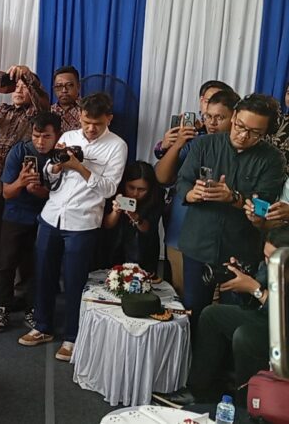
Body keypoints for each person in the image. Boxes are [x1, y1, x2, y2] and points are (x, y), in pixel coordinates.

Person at [19, 92, 127, 362]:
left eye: (97, 124)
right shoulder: (68, 137)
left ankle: (72, 337)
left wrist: (80, 167)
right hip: (52, 214)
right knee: (43, 273)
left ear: (108, 120)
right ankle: (42, 326)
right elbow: (49, 175)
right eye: (87, 121)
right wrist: (56, 167)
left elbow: (109, 188)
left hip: (83, 221)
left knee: (75, 281)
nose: (90, 128)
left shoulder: (117, 146)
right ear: (80, 116)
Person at [176, 93, 285, 331]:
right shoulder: (205, 145)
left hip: (241, 249)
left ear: (265, 133)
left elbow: (263, 205)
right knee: (193, 310)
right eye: (240, 126)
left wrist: (234, 198)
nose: (244, 136)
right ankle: (192, 365)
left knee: (233, 317)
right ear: (234, 117)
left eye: (254, 133)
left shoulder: (272, 159)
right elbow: (183, 181)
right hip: (198, 242)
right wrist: (190, 194)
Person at [153, 228, 288, 408]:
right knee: (212, 315)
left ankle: (247, 405)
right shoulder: (267, 265)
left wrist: (255, 289)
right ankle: (199, 391)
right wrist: (240, 280)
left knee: (245, 336)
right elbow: (253, 303)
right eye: (265, 256)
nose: (267, 262)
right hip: (266, 318)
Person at [0, 64, 49, 303]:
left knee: (20, 242)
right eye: (15, 86)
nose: (18, 90)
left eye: (23, 87)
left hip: (21, 188)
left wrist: (25, 73)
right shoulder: (2, 110)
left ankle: (19, 288)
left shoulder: (34, 115)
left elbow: (42, 103)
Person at [155, 89, 240, 295]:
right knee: (185, 297)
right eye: (208, 114)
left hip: (228, 238)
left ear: (235, 116)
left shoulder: (244, 147)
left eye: (219, 117)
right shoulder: (193, 140)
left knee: (223, 304)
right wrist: (176, 144)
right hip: (183, 231)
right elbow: (162, 178)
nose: (212, 122)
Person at [0, 111, 61, 332]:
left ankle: (33, 309)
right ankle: (1, 308)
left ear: (57, 135)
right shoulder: (19, 151)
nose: (40, 142)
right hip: (15, 215)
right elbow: (6, 193)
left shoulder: (62, 156)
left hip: (46, 218)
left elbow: (60, 195)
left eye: (46, 136)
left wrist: (39, 191)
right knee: (6, 263)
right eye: (36, 135)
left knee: (38, 265)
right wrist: (20, 182)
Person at [100, 161, 164, 275]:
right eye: (131, 187)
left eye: (141, 189)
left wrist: (136, 218)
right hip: (112, 249)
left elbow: (149, 228)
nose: (135, 193)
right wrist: (116, 212)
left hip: (143, 252)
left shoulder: (156, 197)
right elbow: (107, 225)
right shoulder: (114, 191)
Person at [50, 65, 82, 132]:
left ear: (78, 86)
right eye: (59, 86)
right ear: (54, 89)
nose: (64, 90)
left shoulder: (88, 109)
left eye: (69, 85)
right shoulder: (49, 112)